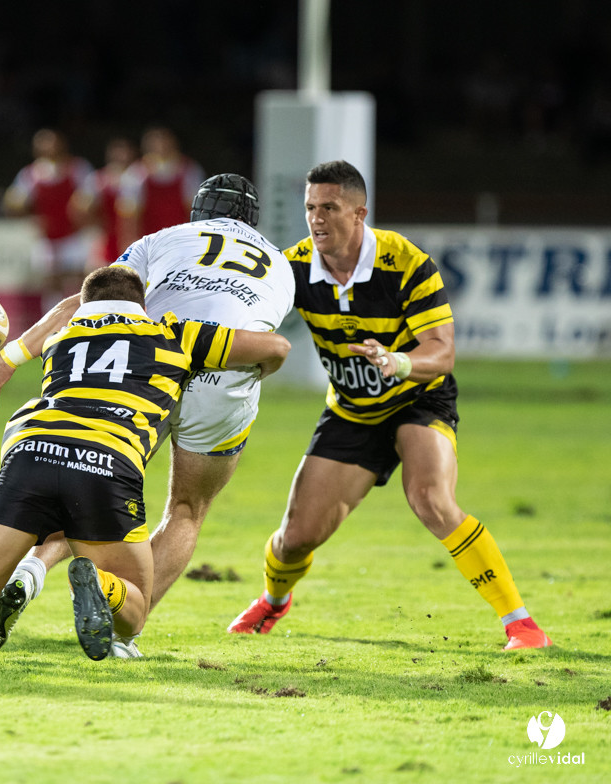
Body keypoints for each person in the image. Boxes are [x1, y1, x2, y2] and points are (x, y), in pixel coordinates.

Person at [0, 266, 290, 660]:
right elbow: (276, 348)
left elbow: (30, 342)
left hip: (30, 457)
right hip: (107, 463)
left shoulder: (63, 335)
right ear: (141, 304)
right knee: (135, 610)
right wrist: (253, 367)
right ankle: (97, 582)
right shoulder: (177, 333)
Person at [0, 174, 294, 658]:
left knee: (85, 469)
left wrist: (8, 357)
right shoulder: (280, 265)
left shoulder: (165, 238)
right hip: (226, 372)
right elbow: (273, 340)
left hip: (147, 364)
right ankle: (121, 633)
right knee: (186, 510)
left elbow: (82, 303)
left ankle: (31, 572)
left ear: (197, 213)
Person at [226, 160, 552, 651]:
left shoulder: (405, 262)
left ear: (360, 213)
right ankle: (273, 600)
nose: (317, 219)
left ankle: (522, 624)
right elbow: (243, 313)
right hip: (353, 411)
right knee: (295, 537)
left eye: (330, 208)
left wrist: (399, 362)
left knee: (430, 498)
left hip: (417, 398)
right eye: (311, 208)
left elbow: (442, 352)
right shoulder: (291, 268)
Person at [3, 128, 93, 313]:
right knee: (51, 281)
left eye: (52, 142)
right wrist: (27, 213)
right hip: (47, 237)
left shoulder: (77, 168)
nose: (48, 147)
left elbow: (90, 196)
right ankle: (52, 324)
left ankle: (82, 317)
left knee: (80, 279)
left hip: (73, 235)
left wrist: (82, 210)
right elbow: (14, 202)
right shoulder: (30, 174)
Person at [116, 127, 204, 250]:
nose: (161, 146)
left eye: (164, 141)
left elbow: (195, 212)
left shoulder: (190, 171)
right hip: (148, 243)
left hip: (180, 242)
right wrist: (130, 247)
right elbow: (129, 218)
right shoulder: (135, 174)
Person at [71, 136, 137, 270]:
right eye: (118, 152)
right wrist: (95, 226)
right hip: (107, 239)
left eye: (125, 152)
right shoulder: (98, 180)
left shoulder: (140, 176)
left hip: (134, 239)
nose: (122, 156)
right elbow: (80, 207)